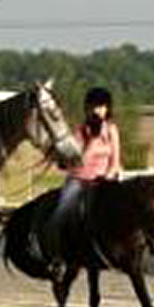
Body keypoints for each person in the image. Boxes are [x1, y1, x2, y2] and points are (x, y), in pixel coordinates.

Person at [41, 87, 123, 268]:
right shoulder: (80, 131)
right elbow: (78, 162)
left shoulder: (111, 130)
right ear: (87, 109)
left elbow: (115, 161)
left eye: (101, 107)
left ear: (107, 109)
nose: (97, 111)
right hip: (79, 180)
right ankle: (54, 252)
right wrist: (92, 144)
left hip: (104, 180)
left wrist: (107, 178)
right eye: (94, 107)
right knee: (62, 210)